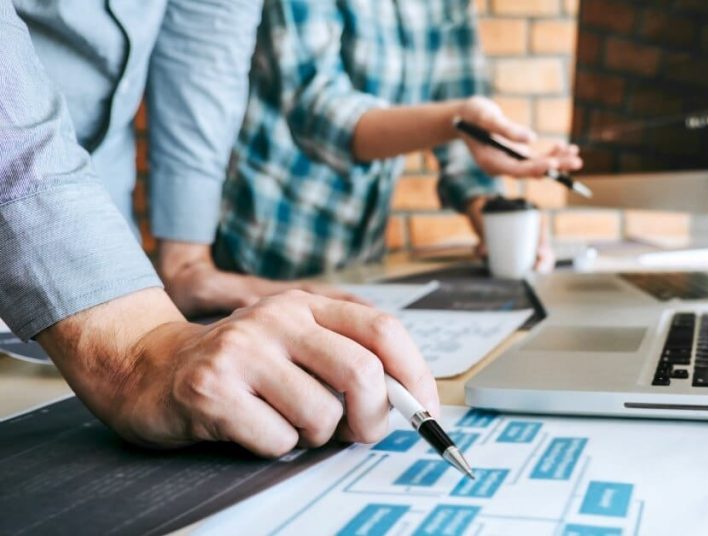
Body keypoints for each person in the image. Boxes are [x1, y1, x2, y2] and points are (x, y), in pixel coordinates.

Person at [0, 0, 436, 457]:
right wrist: (132, 351)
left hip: (106, 264)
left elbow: (203, 43)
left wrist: (185, 262)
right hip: (77, 279)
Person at [215, 0, 583, 279]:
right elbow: (316, 109)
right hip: (259, 249)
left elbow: (469, 124)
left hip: (360, 263)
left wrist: (492, 216)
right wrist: (454, 121)